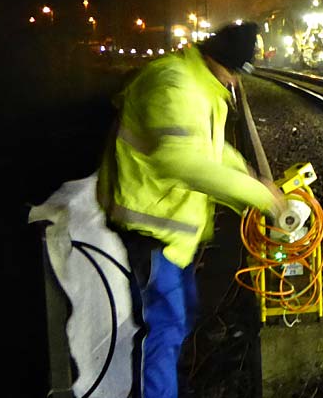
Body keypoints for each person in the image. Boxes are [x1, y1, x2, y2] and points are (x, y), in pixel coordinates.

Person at [98, 21, 285, 398]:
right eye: (233, 73)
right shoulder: (175, 85)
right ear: (219, 62)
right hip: (150, 231)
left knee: (181, 318)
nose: (235, 83)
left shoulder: (201, 84)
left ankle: (175, 382)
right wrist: (263, 198)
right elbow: (182, 162)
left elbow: (211, 151)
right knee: (164, 329)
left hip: (176, 234)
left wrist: (247, 174)